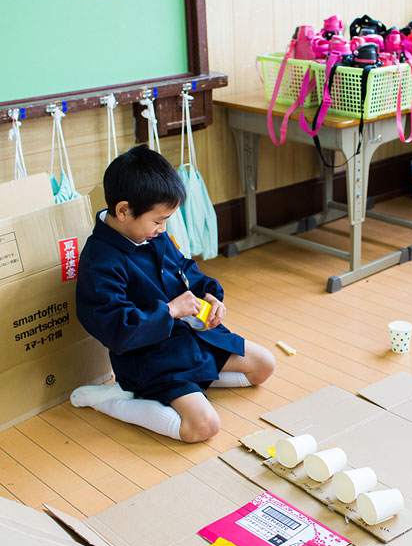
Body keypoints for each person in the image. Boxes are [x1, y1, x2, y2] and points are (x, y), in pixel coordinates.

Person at [71, 145, 276, 442]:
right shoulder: (100, 260)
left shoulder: (152, 234)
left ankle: (189, 386)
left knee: (264, 365)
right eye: (158, 220)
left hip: (188, 338)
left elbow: (185, 269)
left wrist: (209, 295)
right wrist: (170, 311)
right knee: (203, 427)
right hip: (150, 358)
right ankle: (116, 399)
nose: (162, 228)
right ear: (124, 211)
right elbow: (116, 328)